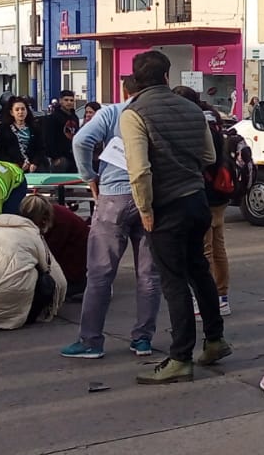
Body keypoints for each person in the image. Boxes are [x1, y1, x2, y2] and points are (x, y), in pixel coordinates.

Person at [122, 50, 230, 385]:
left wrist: (145, 209)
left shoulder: (133, 113)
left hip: (165, 206)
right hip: (196, 200)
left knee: (173, 282)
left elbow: (139, 170)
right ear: (167, 76)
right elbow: (209, 155)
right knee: (199, 269)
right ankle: (214, 340)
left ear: (136, 79)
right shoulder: (191, 107)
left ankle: (180, 357)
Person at [62, 75, 162, 359]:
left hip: (113, 196)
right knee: (148, 274)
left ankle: (91, 340)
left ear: (124, 90)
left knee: (100, 273)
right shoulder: (158, 113)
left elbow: (81, 140)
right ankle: (142, 339)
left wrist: (89, 176)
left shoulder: (112, 112)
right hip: (150, 197)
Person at [174, 85, 234, 319]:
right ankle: (222, 297)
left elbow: (206, 158)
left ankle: (205, 299)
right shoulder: (214, 118)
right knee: (218, 247)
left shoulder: (198, 123)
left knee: (204, 249)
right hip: (221, 189)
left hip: (205, 190)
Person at [18, 195, 89, 301]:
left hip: (76, 264)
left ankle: (84, 285)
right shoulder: (54, 214)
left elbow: (48, 256)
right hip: (77, 258)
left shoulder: (60, 223)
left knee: (44, 290)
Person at [0, 96, 49, 173]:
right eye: (17, 110)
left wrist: (35, 163)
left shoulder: (35, 128)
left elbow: (41, 148)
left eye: (23, 109)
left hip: (34, 166)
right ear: (12, 112)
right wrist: (16, 164)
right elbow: (0, 151)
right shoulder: (4, 129)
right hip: (12, 167)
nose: (20, 112)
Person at [43, 90, 81, 172]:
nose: (69, 102)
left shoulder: (75, 117)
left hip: (74, 156)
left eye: (71, 100)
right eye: (66, 100)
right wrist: (54, 157)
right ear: (60, 101)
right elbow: (49, 138)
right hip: (60, 158)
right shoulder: (53, 117)